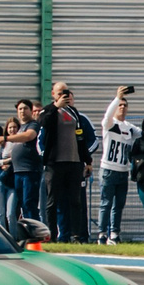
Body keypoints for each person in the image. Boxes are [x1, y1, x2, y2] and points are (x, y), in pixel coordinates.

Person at [39, 82, 93, 243]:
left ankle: (76, 235)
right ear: (53, 94)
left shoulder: (74, 112)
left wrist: (87, 160)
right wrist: (56, 107)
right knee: (52, 201)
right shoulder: (48, 110)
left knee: (75, 200)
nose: (65, 95)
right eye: (61, 92)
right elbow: (44, 122)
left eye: (67, 92)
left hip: (74, 162)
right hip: (55, 163)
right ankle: (51, 235)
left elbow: (80, 137)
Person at [97, 92, 135, 243]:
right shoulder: (110, 124)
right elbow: (107, 117)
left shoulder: (130, 128)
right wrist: (117, 98)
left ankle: (114, 233)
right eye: (120, 105)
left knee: (118, 204)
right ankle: (101, 234)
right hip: (108, 169)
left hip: (123, 170)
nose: (123, 108)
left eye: (125, 105)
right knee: (106, 203)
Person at [0, 99, 41, 229]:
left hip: (30, 171)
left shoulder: (33, 125)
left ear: (31, 110)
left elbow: (29, 136)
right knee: (23, 205)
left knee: (29, 203)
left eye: (25, 108)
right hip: (18, 172)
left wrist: (6, 138)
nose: (22, 111)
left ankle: (36, 233)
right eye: (20, 109)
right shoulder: (21, 127)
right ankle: (28, 233)